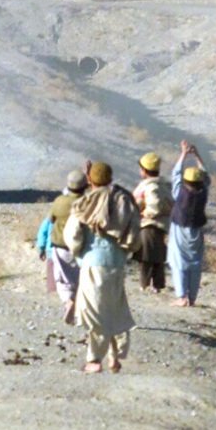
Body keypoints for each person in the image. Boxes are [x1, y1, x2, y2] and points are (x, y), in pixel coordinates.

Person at [63, 160, 139, 373]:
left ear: (90, 179)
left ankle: (94, 360)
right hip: (117, 263)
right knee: (113, 309)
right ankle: (115, 357)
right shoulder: (123, 199)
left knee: (95, 313)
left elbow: (72, 235)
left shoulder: (85, 203)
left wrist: (79, 252)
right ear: (110, 177)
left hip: (93, 264)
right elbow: (134, 234)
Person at [168, 140, 211, 307]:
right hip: (197, 231)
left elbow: (175, 173)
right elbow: (206, 175)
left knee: (178, 260)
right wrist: (197, 155)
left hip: (179, 229)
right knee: (195, 262)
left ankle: (181, 296)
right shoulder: (203, 192)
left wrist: (183, 154)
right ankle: (192, 298)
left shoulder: (180, 192)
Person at [42, 170, 88, 324]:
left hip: (61, 246)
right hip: (83, 246)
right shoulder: (87, 202)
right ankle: (80, 307)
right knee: (81, 279)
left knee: (63, 279)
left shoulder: (60, 201)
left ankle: (68, 302)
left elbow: (51, 219)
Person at [131, 151, 171, 294]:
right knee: (157, 256)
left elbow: (154, 206)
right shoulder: (163, 185)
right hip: (159, 226)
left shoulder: (151, 187)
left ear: (144, 170)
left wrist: (143, 213)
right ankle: (157, 284)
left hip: (149, 225)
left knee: (147, 257)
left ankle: (145, 284)